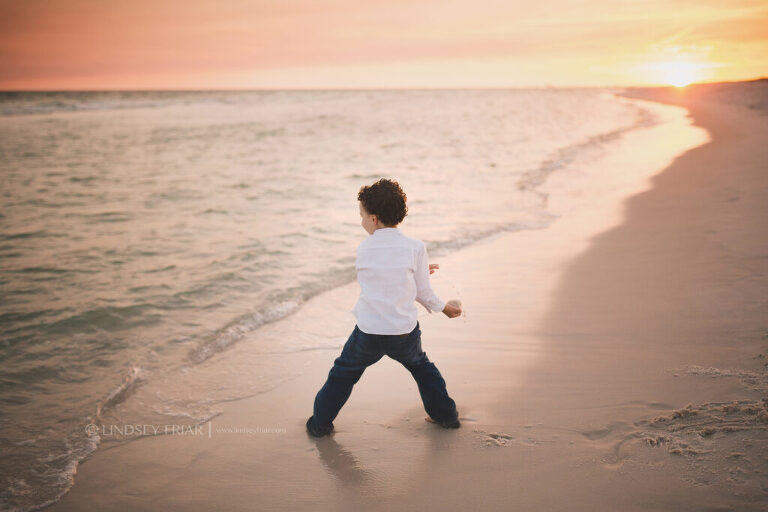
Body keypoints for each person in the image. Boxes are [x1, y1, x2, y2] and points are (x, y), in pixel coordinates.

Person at [306, 178, 463, 438]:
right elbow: (421, 291)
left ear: (374, 219)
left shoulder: (364, 248)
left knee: (342, 375)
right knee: (423, 369)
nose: (361, 222)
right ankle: (446, 417)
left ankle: (320, 424)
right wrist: (443, 307)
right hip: (403, 332)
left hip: (368, 332)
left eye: (362, 216)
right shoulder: (416, 247)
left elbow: (383, 282)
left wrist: (412, 275)